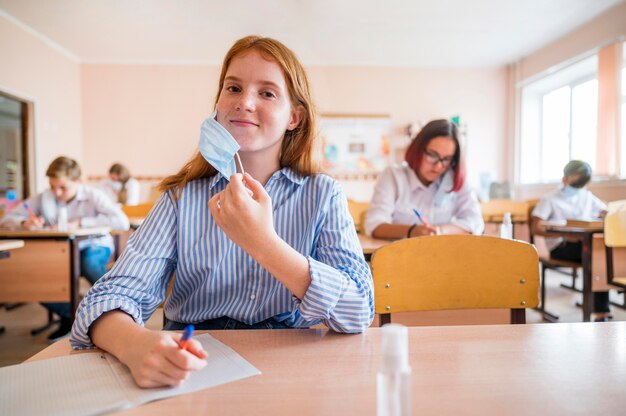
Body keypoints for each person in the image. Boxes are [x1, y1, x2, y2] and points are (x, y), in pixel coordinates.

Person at [70, 35, 374, 388]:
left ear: (294, 117)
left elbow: (358, 312)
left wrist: (264, 243)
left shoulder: (324, 194)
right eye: (233, 88)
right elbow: (107, 298)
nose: (244, 102)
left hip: (290, 365)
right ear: (217, 103)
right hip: (195, 361)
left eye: (267, 93)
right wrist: (136, 345)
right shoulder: (179, 199)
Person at [0, 156, 130, 339]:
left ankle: (120, 305)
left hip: (94, 245)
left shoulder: (93, 195)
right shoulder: (44, 198)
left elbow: (122, 222)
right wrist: (24, 221)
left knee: (88, 264)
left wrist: (80, 222)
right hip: (60, 251)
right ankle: (74, 316)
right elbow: (7, 218)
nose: (57, 193)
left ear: (79, 182)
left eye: (63, 187)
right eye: (53, 187)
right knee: (36, 279)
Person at [364, 119, 484, 239]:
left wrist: (440, 231)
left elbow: (475, 222)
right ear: (418, 149)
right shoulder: (393, 176)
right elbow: (374, 225)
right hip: (400, 255)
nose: (438, 166)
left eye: (446, 159)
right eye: (432, 155)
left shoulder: (455, 179)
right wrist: (414, 231)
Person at [532, 160, 609, 321]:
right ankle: (600, 310)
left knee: (602, 251)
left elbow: (605, 211)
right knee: (598, 256)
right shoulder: (550, 199)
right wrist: (565, 235)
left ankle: (600, 305)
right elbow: (536, 228)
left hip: (584, 244)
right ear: (565, 178)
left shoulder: (586, 196)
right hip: (561, 246)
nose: (575, 188)